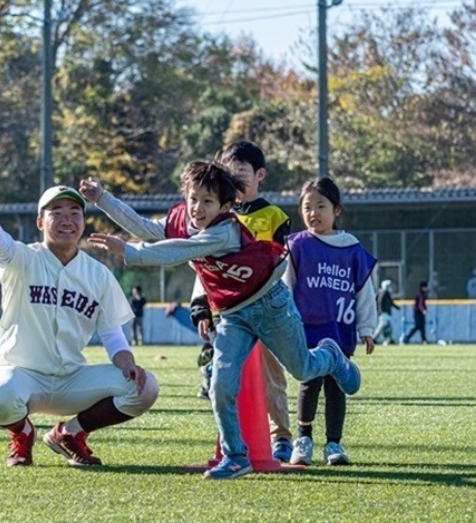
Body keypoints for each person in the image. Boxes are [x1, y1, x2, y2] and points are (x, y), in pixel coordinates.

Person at [83, 160, 361, 480]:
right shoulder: (186, 220)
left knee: (304, 369)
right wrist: (103, 198)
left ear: (226, 206)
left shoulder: (225, 230)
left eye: (207, 201)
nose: (198, 208)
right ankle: (235, 455)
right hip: (232, 315)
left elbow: (179, 251)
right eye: (193, 199)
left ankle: (332, 356)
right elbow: (146, 226)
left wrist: (131, 252)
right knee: (220, 385)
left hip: (271, 305)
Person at [0, 185, 159, 468]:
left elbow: (112, 334)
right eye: (57, 212)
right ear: (41, 222)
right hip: (22, 374)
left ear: (83, 221)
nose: (67, 220)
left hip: (71, 379)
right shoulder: (23, 258)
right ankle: (23, 433)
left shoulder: (98, 274)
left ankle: (70, 434)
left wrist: (128, 364)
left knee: (145, 386)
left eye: (75, 213)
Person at [283, 176, 377, 466]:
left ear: (337, 210)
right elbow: (286, 287)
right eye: (307, 207)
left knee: (336, 386)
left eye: (321, 206)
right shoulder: (296, 246)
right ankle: (304, 439)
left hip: (340, 329)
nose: (314, 213)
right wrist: (285, 324)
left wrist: (367, 329)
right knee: (309, 382)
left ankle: (334, 444)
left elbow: (364, 291)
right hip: (307, 331)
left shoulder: (352, 248)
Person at [213, 140, 294, 462]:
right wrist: (203, 305)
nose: (236, 177)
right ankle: (231, 441)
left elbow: (280, 263)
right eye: (230, 171)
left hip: (267, 307)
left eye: (242, 170)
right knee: (225, 376)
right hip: (230, 311)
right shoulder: (220, 217)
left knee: (272, 375)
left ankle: (281, 436)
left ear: (260, 174)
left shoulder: (274, 216)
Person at [373, 280, 399, 345]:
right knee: (382, 326)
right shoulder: (384, 293)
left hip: (385, 313)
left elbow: (390, 302)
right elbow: (380, 303)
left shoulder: (385, 293)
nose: (391, 287)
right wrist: (381, 311)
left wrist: (396, 307)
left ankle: (389, 339)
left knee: (387, 327)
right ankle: (374, 338)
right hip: (383, 313)